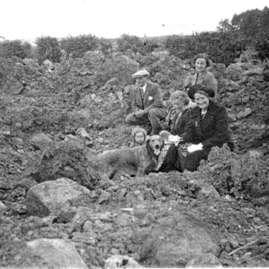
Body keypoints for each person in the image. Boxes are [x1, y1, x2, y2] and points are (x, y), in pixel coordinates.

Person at [178, 85, 234, 172]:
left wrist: (200, 146)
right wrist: (180, 139)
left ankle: (188, 175)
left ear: (208, 97)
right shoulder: (194, 111)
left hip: (217, 145)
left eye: (202, 98)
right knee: (175, 147)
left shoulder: (219, 110)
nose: (201, 102)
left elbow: (220, 136)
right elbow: (190, 131)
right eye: (197, 99)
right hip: (201, 143)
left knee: (194, 154)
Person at [125, 70, 167, 135]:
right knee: (129, 119)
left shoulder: (154, 87)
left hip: (158, 111)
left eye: (140, 78)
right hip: (145, 114)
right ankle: (148, 125)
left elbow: (158, 102)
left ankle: (156, 131)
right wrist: (138, 111)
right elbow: (134, 104)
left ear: (146, 78)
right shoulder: (136, 90)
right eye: (136, 79)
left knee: (152, 112)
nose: (138, 81)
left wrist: (144, 111)